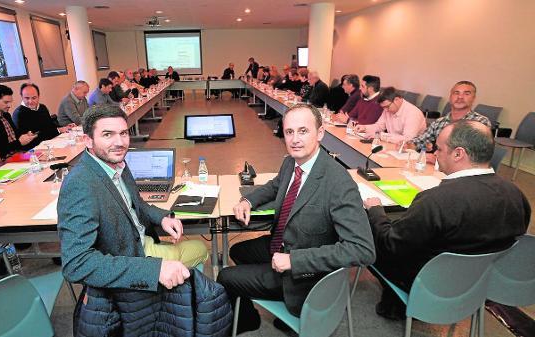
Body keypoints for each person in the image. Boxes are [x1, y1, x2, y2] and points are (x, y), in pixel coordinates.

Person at [217, 104, 376, 334]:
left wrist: (294, 261)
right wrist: (248, 201)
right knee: (237, 251)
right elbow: (275, 185)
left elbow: (363, 250)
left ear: (320, 133)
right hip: (282, 243)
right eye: (289, 132)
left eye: (303, 131)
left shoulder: (339, 183)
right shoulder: (291, 162)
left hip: (304, 271)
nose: (294, 139)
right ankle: (263, 301)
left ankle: (249, 319)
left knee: (225, 276)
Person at [363, 120, 530, 320]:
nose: (434, 153)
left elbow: (391, 245)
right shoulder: (517, 196)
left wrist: (375, 211)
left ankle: (395, 304)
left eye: (439, 149)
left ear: (458, 154)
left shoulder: (435, 200)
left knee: (367, 234)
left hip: (426, 282)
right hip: (477, 283)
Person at [58, 103, 208, 292]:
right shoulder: (80, 183)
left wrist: (162, 217)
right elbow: (76, 264)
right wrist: (153, 270)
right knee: (201, 250)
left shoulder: (116, 162)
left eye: (124, 133)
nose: (119, 142)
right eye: (107, 135)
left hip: (141, 242)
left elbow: (136, 204)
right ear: (88, 140)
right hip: (132, 260)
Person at [410, 81, 491, 163]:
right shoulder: (439, 122)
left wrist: (441, 160)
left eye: (466, 94)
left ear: (473, 98)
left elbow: (473, 154)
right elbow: (421, 141)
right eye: (456, 93)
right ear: (450, 97)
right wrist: (407, 145)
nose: (460, 97)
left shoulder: (480, 122)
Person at [0, 84, 37, 159]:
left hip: (19, 153)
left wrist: (26, 136)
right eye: (6, 102)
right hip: (5, 159)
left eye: (10, 102)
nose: (9, 105)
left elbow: (15, 136)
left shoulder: (6, 114)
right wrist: (19, 142)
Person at [355, 87, 426, 144]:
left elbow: (407, 139)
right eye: (383, 107)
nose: (385, 110)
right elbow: (380, 126)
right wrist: (364, 128)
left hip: (411, 151)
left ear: (397, 99)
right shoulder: (388, 109)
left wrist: (381, 136)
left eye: (387, 106)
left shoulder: (413, 113)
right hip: (392, 145)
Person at [13, 83, 73, 150]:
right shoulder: (19, 114)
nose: (30, 101)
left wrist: (63, 128)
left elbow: (49, 126)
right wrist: (58, 130)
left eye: (34, 98)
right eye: (27, 98)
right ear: (21, 97)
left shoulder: (42, 107)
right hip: (33, 150)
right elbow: (32, 138)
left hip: (51, 144)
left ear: (38, 96)